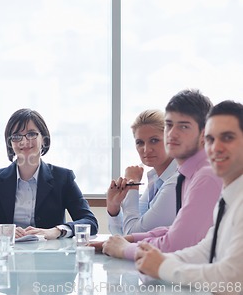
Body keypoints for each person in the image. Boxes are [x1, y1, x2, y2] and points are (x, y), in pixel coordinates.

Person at [93, 89, 222, 260]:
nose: (172, 133)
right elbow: (172, 230)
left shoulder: (202, 175)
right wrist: (123, 231)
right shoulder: (173, 176)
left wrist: (126, 247)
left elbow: (175, 242)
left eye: (183, 126)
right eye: (170, 125)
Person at [135, 100, 243, 292]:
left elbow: (231, 277)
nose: (215, 148)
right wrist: (157, 260)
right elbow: (206, 249)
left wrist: (162, 266)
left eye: (227, 138)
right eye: (210, 139)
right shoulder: (229, 197)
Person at [0, 108, 98, 240]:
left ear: (44, 140)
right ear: (10, 143)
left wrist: (56, 231)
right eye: (16, 136)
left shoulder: (63, 178)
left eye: (32, 134)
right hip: (7, 253)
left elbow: (90, 222)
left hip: (49, 254)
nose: (24, 141)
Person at [107, 109, 178, 235]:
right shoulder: (155, 179)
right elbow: (122, 236)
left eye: (154, 140)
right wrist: (114, 208)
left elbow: (133, 234)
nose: (146, 150)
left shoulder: (176, 181)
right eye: (140, 142)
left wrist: (132, 185)